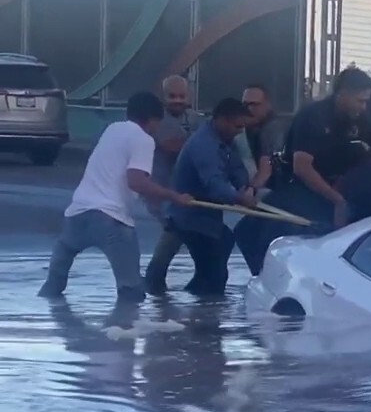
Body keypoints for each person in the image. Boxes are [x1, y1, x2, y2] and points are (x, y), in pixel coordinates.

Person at [238, 67, 371, 273]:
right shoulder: (313, 117)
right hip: (309, 189)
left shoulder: (359, 117)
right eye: (360, 101)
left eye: (366, 102)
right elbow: (302, 168)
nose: (363, 107)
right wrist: (337, 200)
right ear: (343, 94)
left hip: (345, 186)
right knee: (254, 231)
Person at [38, 92, 193, 303]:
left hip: (76, 214)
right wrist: (173, 196)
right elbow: (136, 181)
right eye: (158, 123)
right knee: (132, 293)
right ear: (152, 120)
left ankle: (57, 329)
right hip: (112, 221)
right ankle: (124, 332)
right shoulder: (144, 139)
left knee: (52, 288)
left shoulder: (112, 129)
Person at [167, 98, 256, 296]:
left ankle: (198, 303)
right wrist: (240, 199)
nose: (240, 131)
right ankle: (205, 319)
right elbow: (214, 184)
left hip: (208, 218)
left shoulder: (225, 140)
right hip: (190, 219)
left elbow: (237, 169)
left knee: (223, 245)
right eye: (237, 126)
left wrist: (246, 188)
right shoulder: (204, 146)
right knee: (215, 275)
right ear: (221, 120)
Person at [143, 74, 204, 295]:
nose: (177, 100)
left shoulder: (194, 118)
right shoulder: (158, 120)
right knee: (175, 229)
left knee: (190, 233)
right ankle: (153, 280)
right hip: (162, 189)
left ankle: (158, 283)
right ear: (163, 97)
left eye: (181, 96)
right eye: (172, 96)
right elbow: (173, 146)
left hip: (186, 191)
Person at [240, 84, 289, 192]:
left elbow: (265, 172)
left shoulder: (272, 129)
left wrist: (250, 190)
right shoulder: (243, 128)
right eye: (245, 104)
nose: (248, 109)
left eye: (254, 104)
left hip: (277, 191)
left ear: (268, 105)